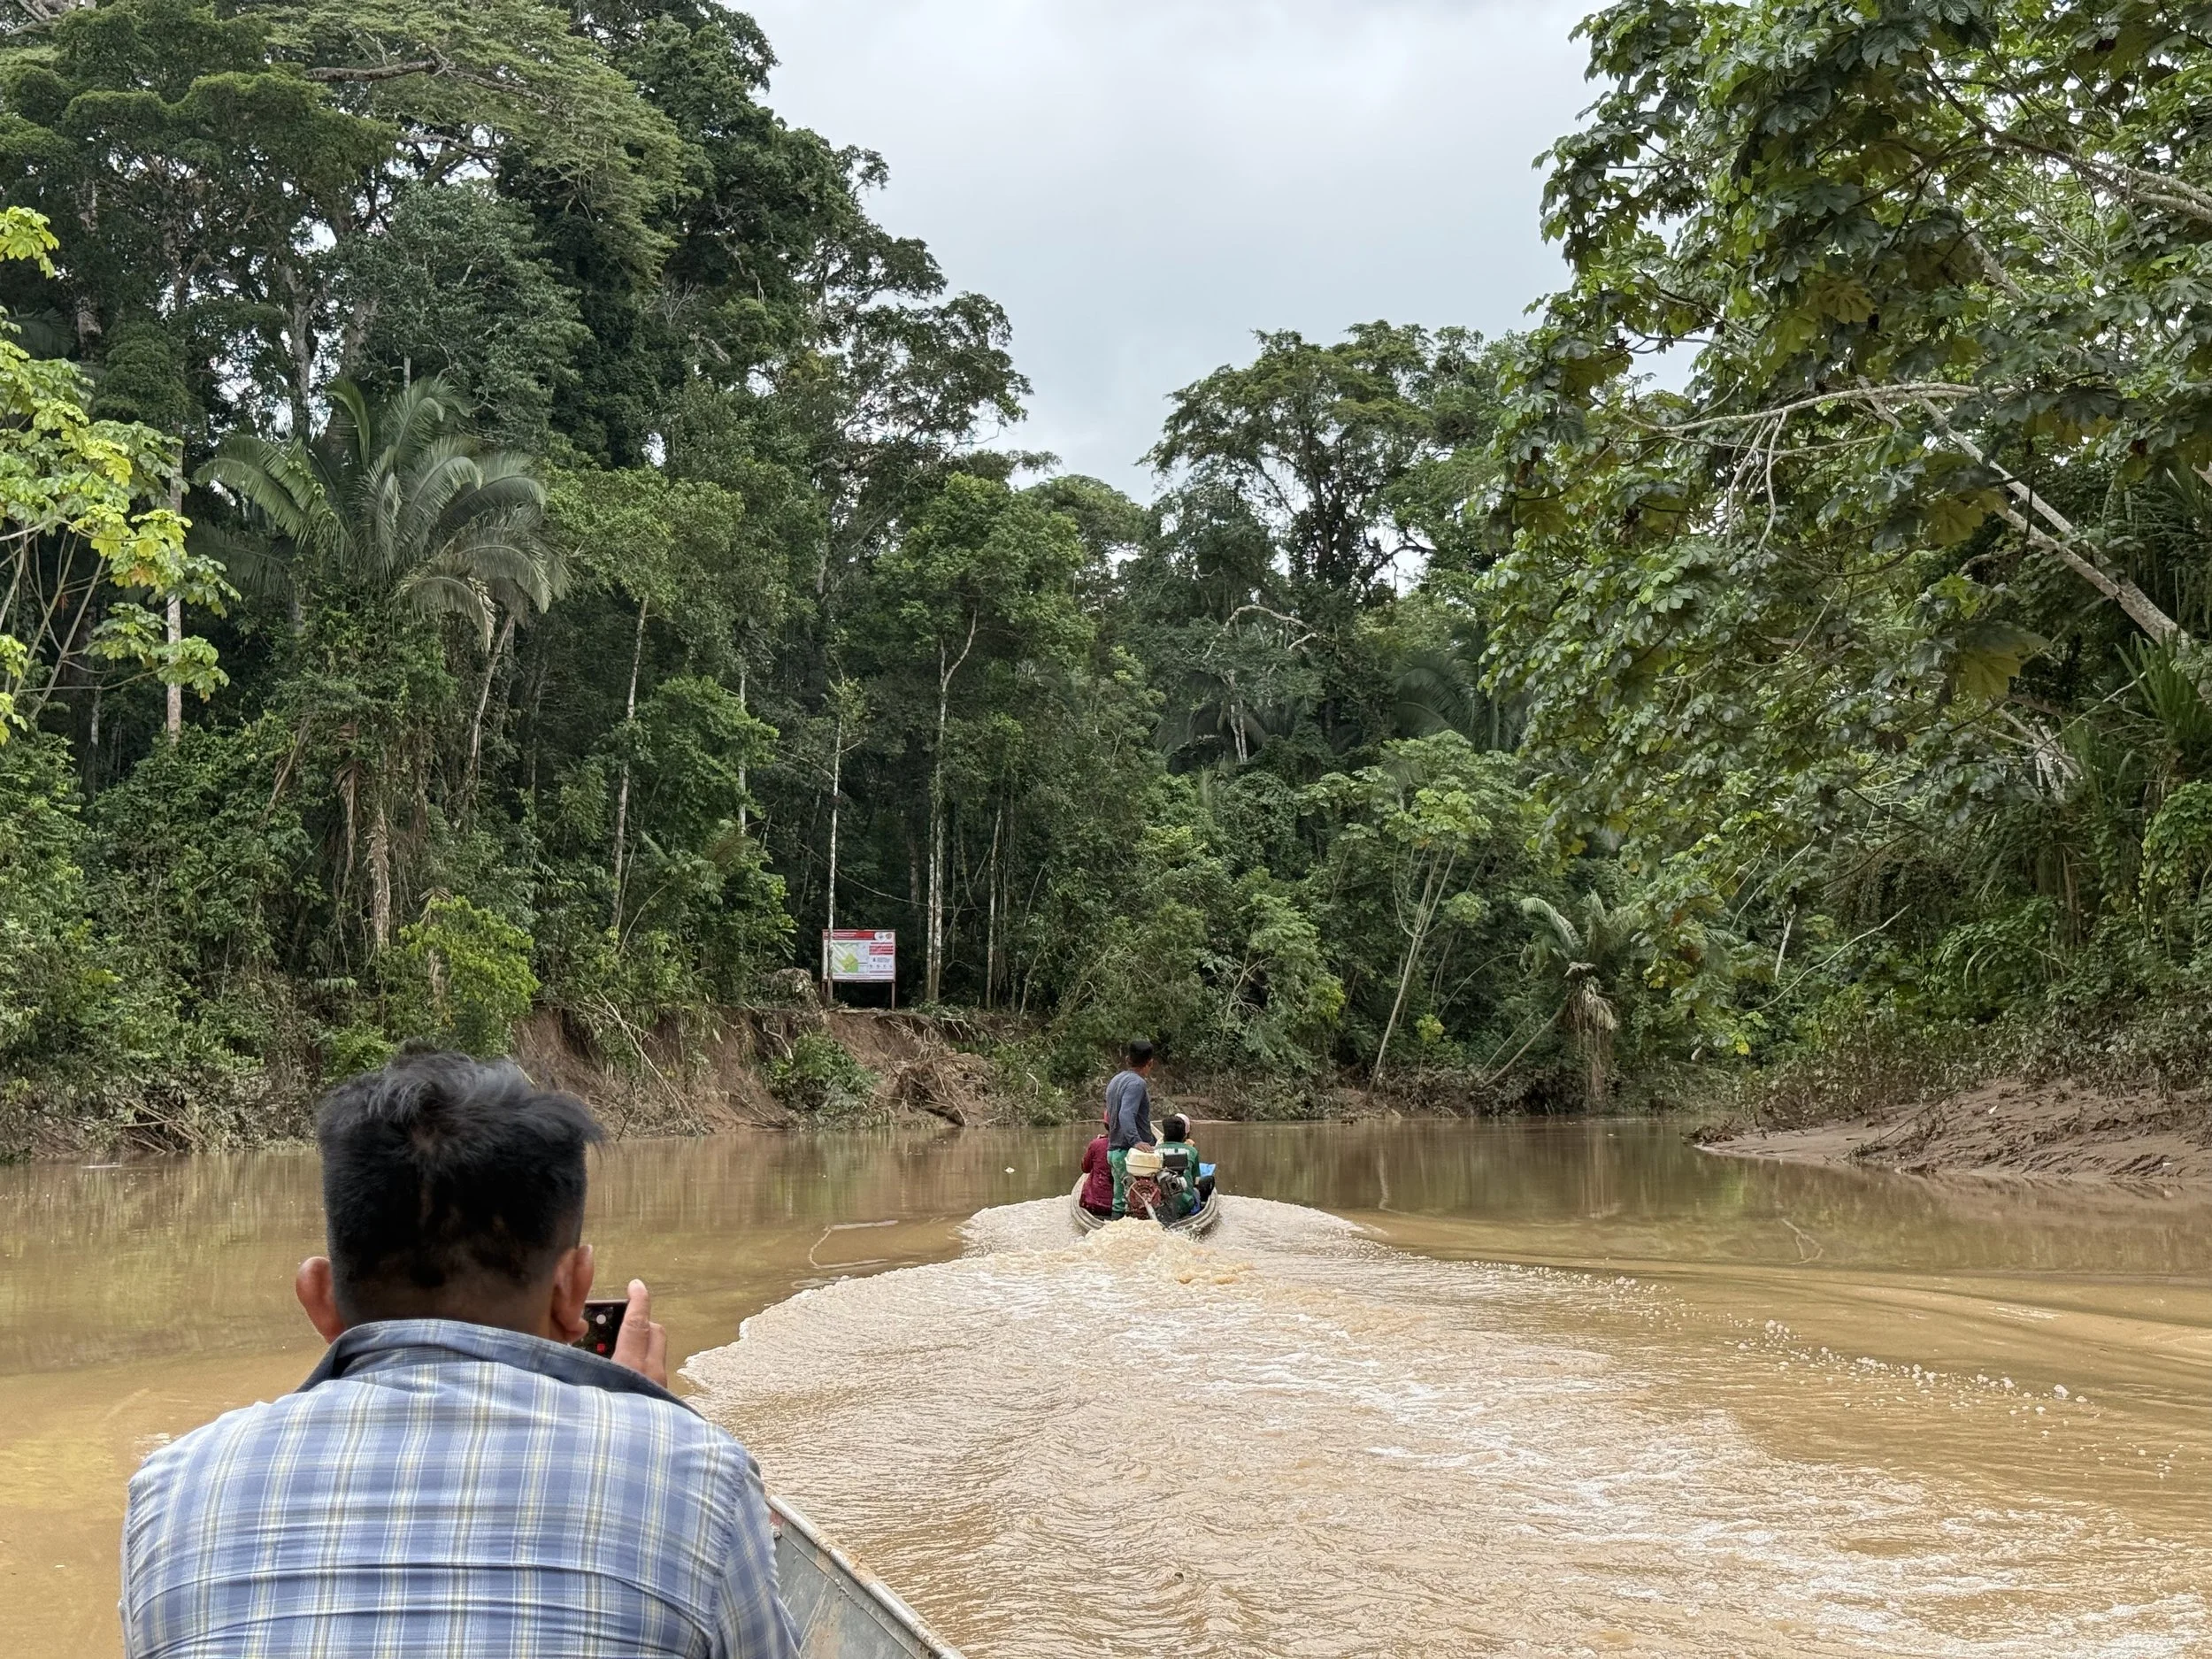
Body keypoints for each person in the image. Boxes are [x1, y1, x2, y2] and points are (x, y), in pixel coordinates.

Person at [120, 1053, 798, 1659]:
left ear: (320, 1300)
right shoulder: (700, 1474)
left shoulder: (171, 1489)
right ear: (573, 1290)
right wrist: (650, 1420)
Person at [1103, 1039, 1156, 1218]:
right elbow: (1125, 1114)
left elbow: (1111, 1114)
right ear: (1150, 1063)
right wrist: (1136, 1141)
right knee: (1141, 1202)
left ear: (1127, 1059)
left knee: (1120, 1200)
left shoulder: (1115, 1080)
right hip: (1130, 1155)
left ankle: (1114, 1228)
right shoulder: (1137, 1084)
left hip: (1113, 1151)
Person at [1155, 1112, 1211, 1219]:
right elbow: (1196, 1180)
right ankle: (1202, 1205)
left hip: (1161, 1205)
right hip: (1185, 1205)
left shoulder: (1155, 1151)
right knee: (1208, 1180)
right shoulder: (1192, 1151)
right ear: (1184, 1135)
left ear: (1164, 1135)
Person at [1077, 1131, 1115, 1218]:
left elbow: (1085, 1168)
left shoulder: (1096, 1144)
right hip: (1119, 1206)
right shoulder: (1130, 1145)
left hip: (1094, 1204)